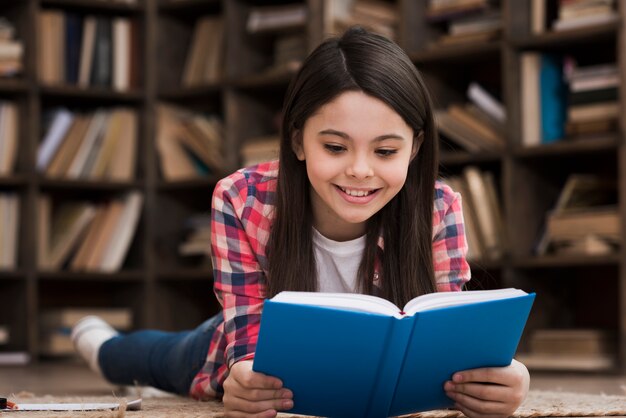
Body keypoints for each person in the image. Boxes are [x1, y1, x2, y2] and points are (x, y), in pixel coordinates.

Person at [71, 26, 530, 418]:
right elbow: (246, 332)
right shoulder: (241, 198)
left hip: (370, 373)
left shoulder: (439, 208)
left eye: (385, 151)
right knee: (155, 359)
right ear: (297, 141)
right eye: (335, 147)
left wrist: (504, 376)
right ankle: (101, 343)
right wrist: (245, 374)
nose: (360, 170)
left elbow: (448, 336)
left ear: (414, 148)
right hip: (228, 346)